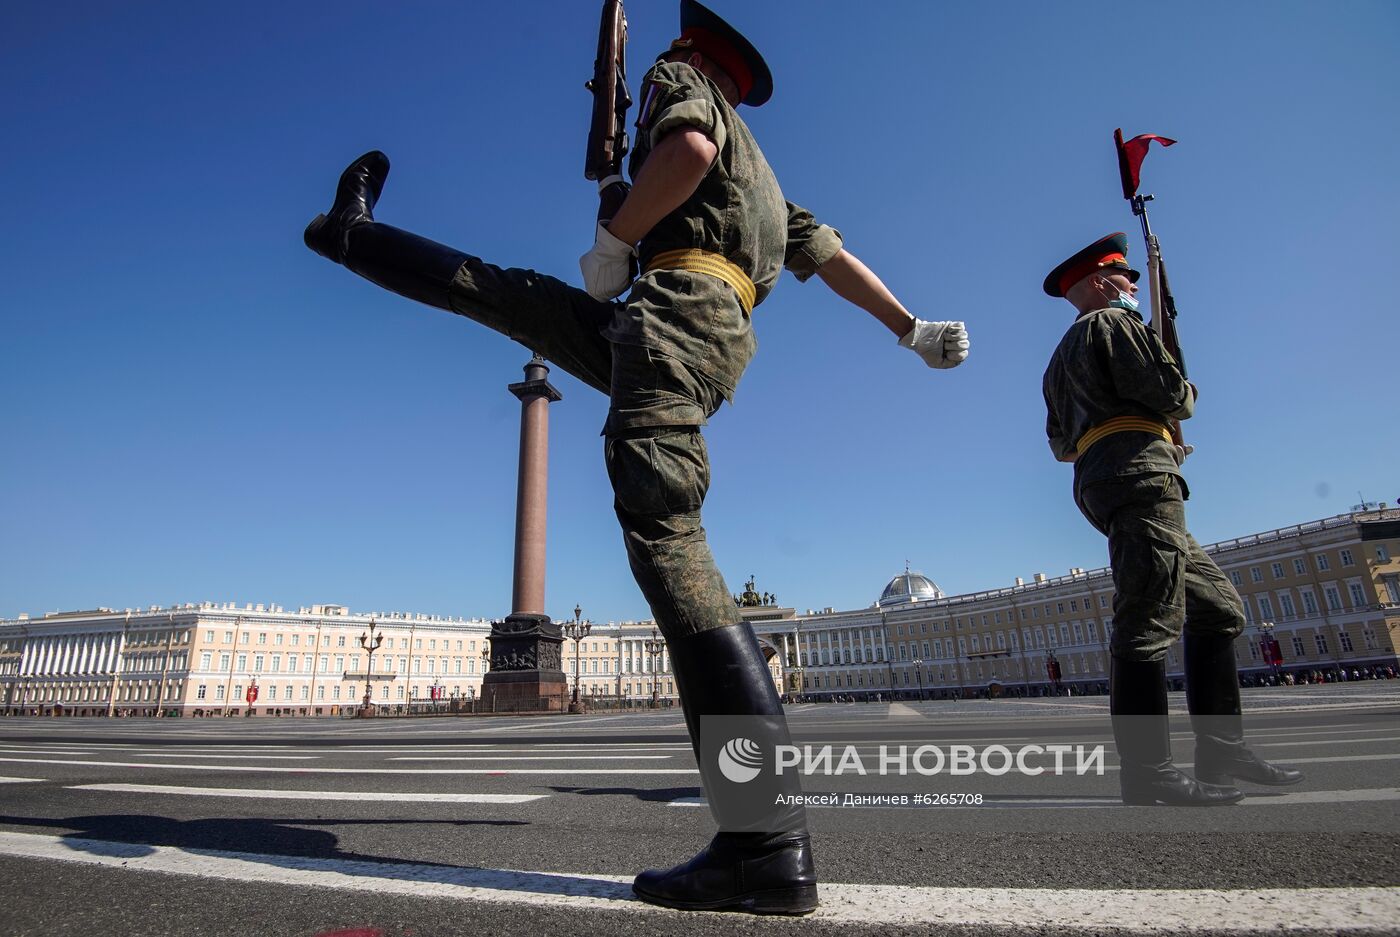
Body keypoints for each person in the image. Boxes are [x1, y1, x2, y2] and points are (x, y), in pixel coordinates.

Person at [304, 0, 968, 914]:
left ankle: (763, 841)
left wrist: (616, 239)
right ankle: (352, 234)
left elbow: (684, 151)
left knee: (666, 532)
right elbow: (832, 258)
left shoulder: (680, 80)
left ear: (696, 55)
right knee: (514, 298)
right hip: (701, 327)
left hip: (668, 314)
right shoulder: (768, 182)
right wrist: (912, 330)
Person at [1041, 233, 1301, 806]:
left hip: (1107, 475)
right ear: (1102, 282)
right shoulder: (1115, 326)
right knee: (1148, 618)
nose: (1135, 287)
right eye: (1127, 278)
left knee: (1219, 609)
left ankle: (1222, 751)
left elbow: (1061, 444)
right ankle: (1148, 771)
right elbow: (1170, 395)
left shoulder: (1059, 358)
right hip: (1141, 476)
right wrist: (1179, 394)